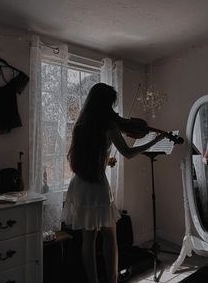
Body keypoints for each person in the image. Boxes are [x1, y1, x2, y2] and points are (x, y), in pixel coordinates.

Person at [62, 83, 165, 283]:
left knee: (88, 239)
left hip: (79, 186)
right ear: (105, 103)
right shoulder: (109, 125)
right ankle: (112, 280)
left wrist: (104, 160)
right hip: (97, 187)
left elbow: (79, 158)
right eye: (110, 104)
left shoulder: (80, 125)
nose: (112, 109)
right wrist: (153, 141)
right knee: (110, 235)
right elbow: (127, 152)